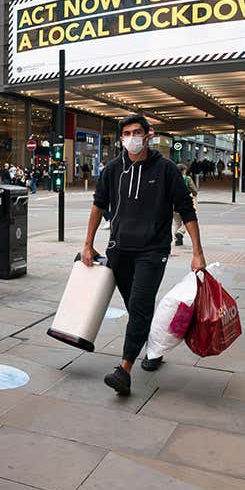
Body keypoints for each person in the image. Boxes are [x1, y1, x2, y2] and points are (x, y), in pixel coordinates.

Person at [83, 114, 205, 395]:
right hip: (119, 250)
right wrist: (88, 244)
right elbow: (98, 206)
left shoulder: (166, 169)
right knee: (136, 307)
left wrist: (197, 251)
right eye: (126, 133)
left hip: (153, 250)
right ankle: (154, 349)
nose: (132, 138)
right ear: (121, 138)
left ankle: (124, 369)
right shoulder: (113, 169)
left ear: (148, 135)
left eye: (137, 132)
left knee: (139, 303)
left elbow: (186, 209)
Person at [173, 163, 198, 247]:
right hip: (185, 203)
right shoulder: (187, 179)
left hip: (173, 204)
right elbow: (194, 191)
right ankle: (180, 232)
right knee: (188, 220)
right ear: (183, 171)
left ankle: (177, 241)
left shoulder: (172, 178)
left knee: (177, 222)